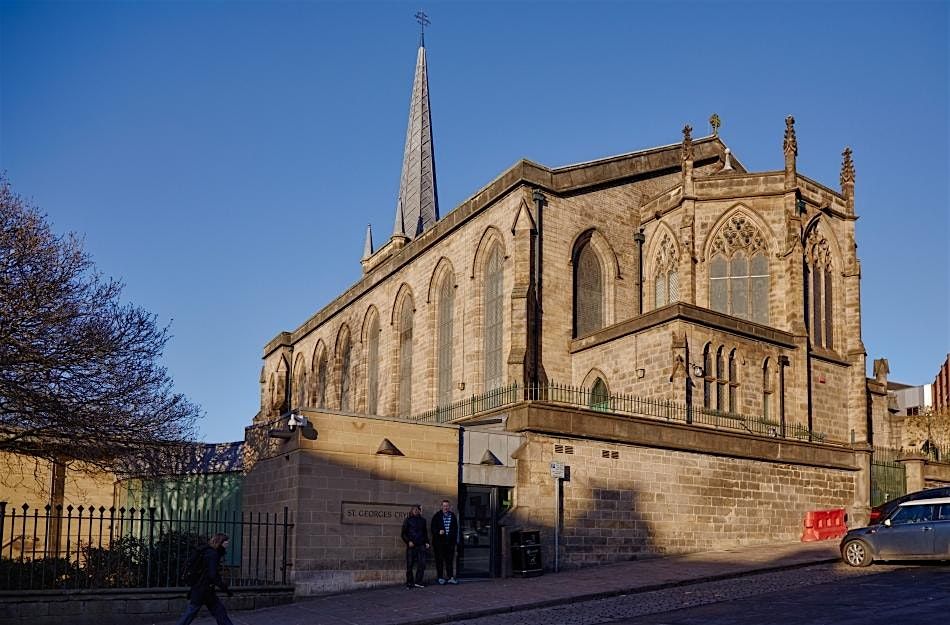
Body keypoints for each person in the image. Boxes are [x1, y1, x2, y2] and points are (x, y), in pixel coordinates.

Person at [176, 533, 235, 625]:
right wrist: (224, 588)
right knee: (191, 612)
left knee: (219, 611)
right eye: (226, 542)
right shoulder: (212, 554)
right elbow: (212, 574)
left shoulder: (208, 551)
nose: (227, 544)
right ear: (220, 542)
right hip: (203, 588)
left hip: (204, 588)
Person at [430, 499, 460, 585]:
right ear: (441, 506)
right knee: (439, 561)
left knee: (449, 561)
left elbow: (455, 529)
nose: (445, 507)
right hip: (439, 543)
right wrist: (438, 532)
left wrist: (454, 542)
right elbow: (432, 528)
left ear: (449, 507)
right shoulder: (437, 516)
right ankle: (440, 578)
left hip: (450, 544)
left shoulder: (453, 516)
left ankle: (450, 577)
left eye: (447, 506)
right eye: (444, 506)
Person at [400, 504, 430, 588]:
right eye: (414, 510)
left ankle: (418, 581)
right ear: (412, 511)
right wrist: (408, 541)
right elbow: (403, 533)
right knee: (410, 565)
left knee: (422, 564)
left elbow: (425, 533)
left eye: (417, 510)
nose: (416, 511)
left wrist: (427, 542)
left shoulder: (423, 520)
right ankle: (409, 582)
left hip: (421, 545)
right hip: (412, 546)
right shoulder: (408, 520)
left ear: (420, 511)